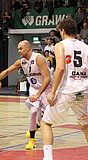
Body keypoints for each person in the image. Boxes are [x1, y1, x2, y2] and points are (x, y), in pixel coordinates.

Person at [41, 19, 88, 160]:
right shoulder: (84, 46)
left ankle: (47, 158)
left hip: (67, 90)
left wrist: (53, 91)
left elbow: (61, 68)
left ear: (62, 30)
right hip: (84, 90)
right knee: (85, 125)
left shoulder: (60, 45)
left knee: (46, 122)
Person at [0, 40, 53, 150]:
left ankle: (36, 126)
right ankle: (32, 140)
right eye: (18, 48)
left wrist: (39, 94)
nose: (19, 51)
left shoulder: (38, 58)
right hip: (34, 88)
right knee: (33, 111)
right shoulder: (21, 62)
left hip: (47, 89)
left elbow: (47, 78)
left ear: (28, 48)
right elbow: (6, 71)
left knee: (46, 119)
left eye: (20, 48)